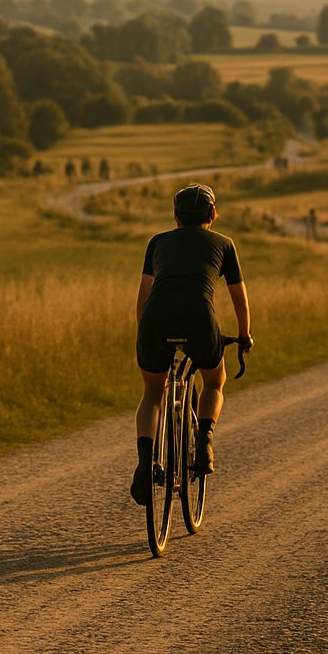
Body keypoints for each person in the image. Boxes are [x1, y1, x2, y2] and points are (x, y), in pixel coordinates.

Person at [131, 184, 252, 502]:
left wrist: (145, 333)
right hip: (200, 319)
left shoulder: (157, 242)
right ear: (212, 214)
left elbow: (144, 297)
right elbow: (238, 299)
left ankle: (145, 463)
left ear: (175, 216)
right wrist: (243, 335)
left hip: (155, 320)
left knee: (153, 393)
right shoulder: (224, 243)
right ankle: (205, 440)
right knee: (215, 381)